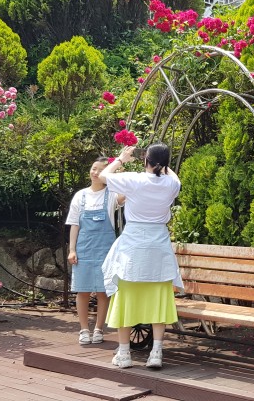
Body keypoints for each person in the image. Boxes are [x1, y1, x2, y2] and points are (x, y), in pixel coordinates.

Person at [99, 143, 182, 369]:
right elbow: (173, 176)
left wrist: (121, 159)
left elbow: (103, 176)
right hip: (158, 248)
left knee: (126, 299)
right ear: (165, 164)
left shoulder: (134, 180)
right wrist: (164, 165)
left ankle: (124, 353)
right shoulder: (172, 184)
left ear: (146, 160)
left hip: (133, 247)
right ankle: (156, 353)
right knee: (158, 301)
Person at [66, 157, 124, 346]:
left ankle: (99, 329)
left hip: (106, 250)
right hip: (83, 249)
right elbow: (74, 224)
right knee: (82, 290)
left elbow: (125, 195)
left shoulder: (112, 195)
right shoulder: (80, 196)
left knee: (103, 291)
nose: (95, 172)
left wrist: (119, 172)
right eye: (93, 168)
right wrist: (72, 250)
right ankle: (84, 329)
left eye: (100, 170)